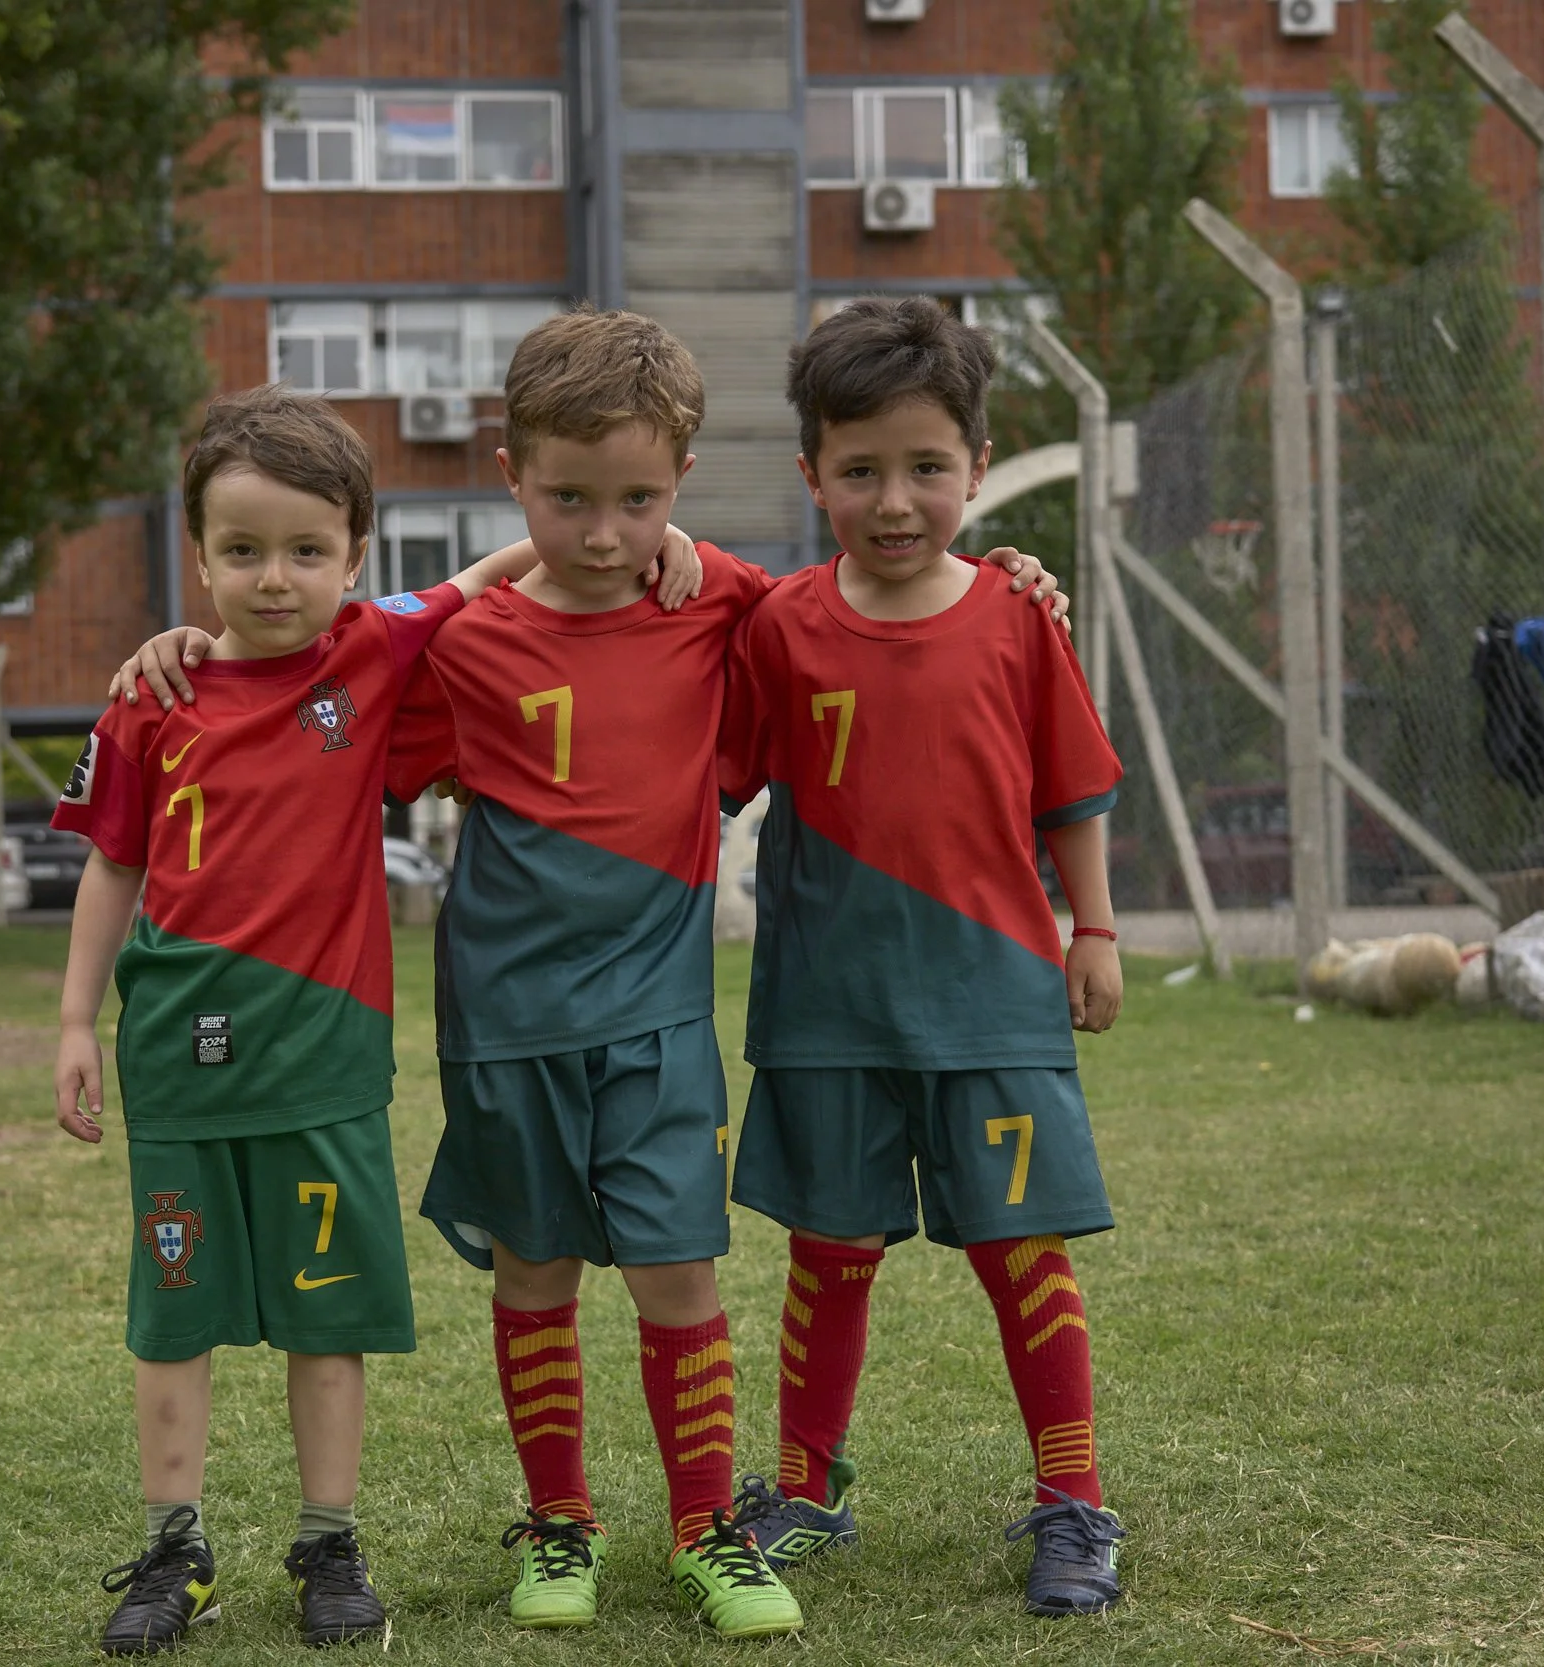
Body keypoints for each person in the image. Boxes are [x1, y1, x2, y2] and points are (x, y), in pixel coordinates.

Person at [111, 308, 1067, 1642]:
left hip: (662, 1025)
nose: (606, 532)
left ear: (680, 484)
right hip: (505, 1028)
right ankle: (557, 1520)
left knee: (682, 1275)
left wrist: (1012, 570)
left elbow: (878, 597)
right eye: (568, 499)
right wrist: (182, 647)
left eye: (638, 501)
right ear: (513, 472)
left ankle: (706, 1531)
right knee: (535, 1274)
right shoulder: (454, 643)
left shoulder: (727, 600)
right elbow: (295, 653)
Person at [49, 384, 700, 1656]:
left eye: (305, 550)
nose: (273, 577)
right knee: (173, 1311)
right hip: (177, 1066)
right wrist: (76, 1019)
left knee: (327, 1311)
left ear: (355, 556)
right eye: (241, 550)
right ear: (198, 555)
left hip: (329, 1065)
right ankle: (173, 1547)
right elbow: (111, 865)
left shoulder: (371, 649)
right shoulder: (150, 696)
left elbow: (493, 567)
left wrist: (671, 542)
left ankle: (326, 1539)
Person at [718, 296, 1129, 1619]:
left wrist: (1098, 928)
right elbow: (701, 775)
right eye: (860, 471)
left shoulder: (1018, 616)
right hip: (828, 1007)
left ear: (977, 463)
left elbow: (1071, 789)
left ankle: (1075, 1504)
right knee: (829, 1249)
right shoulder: (779, 628)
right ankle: (803, 1490)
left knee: (1023, 1252)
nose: (895, 501)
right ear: (812, 474)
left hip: (992, 1001)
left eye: (928, 467)